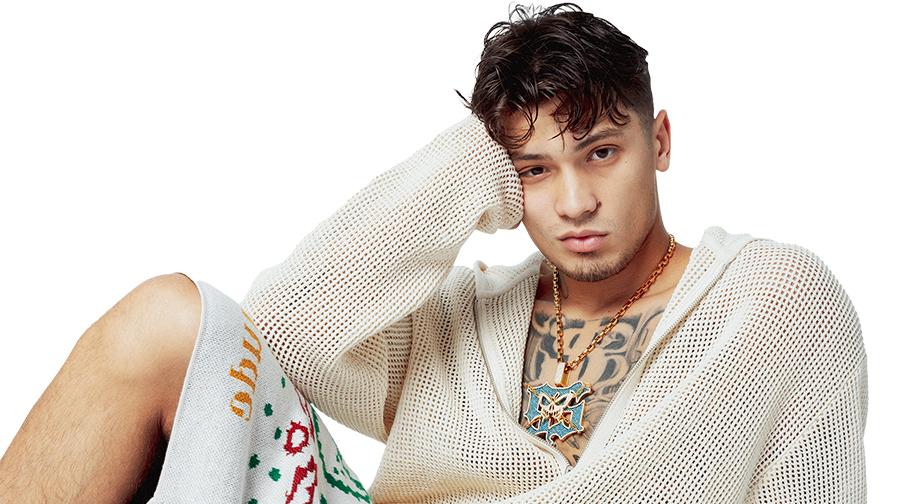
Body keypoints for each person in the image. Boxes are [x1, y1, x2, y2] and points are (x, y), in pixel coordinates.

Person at [0, 2, 867, 502]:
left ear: (661, 141)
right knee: (168, 317)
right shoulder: (457, 316)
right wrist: (478, 161)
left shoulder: (772, 302)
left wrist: (532, 150)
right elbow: (283, 326)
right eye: (535, 170)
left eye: (601, 151)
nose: (574, 202)